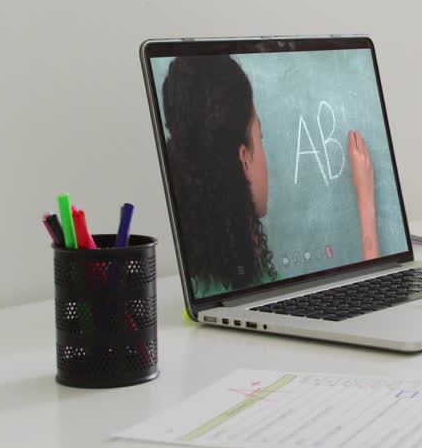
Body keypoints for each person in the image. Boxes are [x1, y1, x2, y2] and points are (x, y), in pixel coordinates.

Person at [161, 55, 379, 298]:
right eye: (260, 138)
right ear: (244, 158)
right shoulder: (249, 291)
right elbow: (374, 310)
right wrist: (366, 204)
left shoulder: (205, 280)